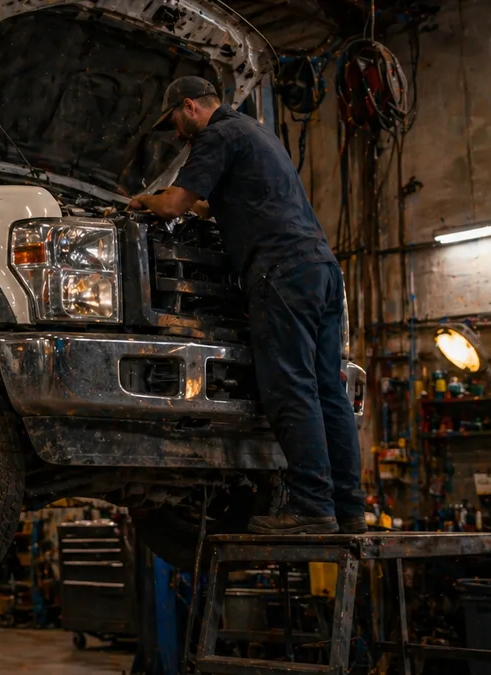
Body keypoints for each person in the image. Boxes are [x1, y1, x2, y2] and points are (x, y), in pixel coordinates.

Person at [128, 76, 366, 535]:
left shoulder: (214, 135)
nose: (177, 133)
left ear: (191, 107)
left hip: (280, 275)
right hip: (321, 270)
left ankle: (313, 511)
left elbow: (175, 205)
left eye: (175, 120)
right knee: (328, 392)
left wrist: (145, 200)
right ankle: (349, 511)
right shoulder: (256, 133)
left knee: (291, 390)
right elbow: (215, 205)